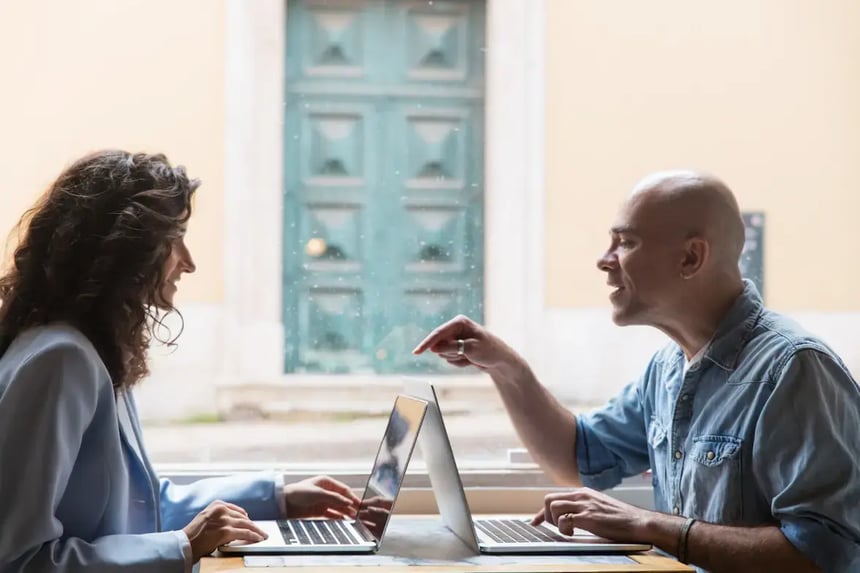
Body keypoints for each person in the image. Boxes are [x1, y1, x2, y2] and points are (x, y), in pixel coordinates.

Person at [413, 171, 860, 573]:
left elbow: (821, 554)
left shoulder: (795, 370)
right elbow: (579, 458)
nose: (604, 260)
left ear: (691, 258)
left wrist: (648, 525)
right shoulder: (666, 368)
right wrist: (506, 368)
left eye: (625, 242)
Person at [0, 150, 361, 572]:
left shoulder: (90, 349)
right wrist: (184, 546)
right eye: (175, 240)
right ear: (127, 250)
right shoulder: (62, 361)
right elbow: (18, 561)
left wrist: (278, 497)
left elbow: (142, 507)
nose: (188, 263)